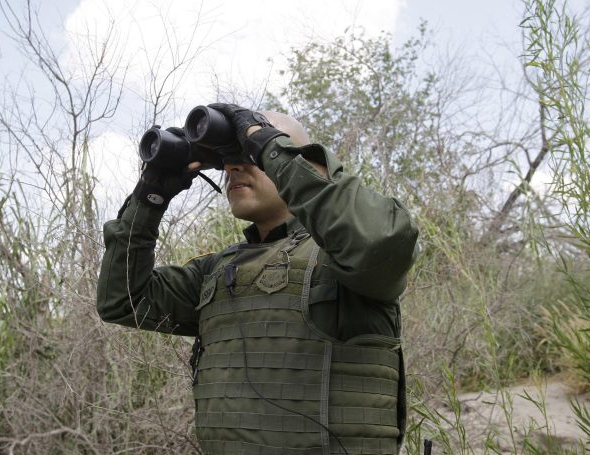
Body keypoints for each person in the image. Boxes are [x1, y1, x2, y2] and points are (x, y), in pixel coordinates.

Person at [96, 104, 419, 455]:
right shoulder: (218, 270)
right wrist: (150, 196)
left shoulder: (345, 257)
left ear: (298, 163)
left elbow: (377, 240)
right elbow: (123, 300)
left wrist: (263, 141)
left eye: (249, 154)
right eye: (228, 158)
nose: (234, 166)